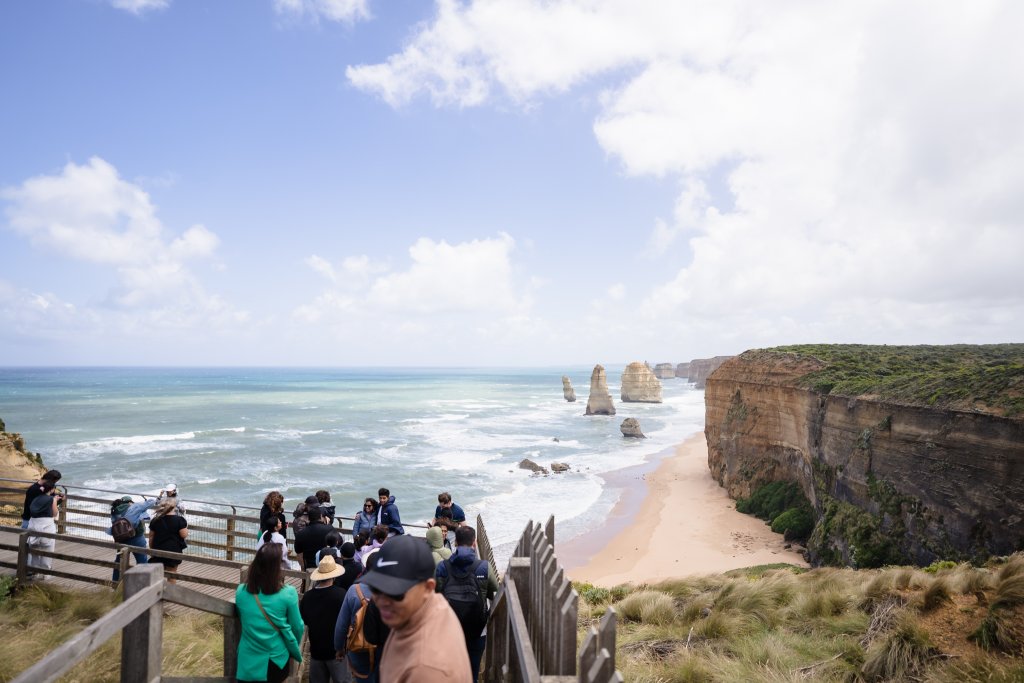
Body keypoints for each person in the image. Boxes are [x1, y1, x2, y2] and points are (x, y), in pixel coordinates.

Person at [359, 534, 471, 683]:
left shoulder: (425, 670)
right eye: (376, 588)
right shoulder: (431, 606)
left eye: (396, 592)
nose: (381, 601)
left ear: (427, 588)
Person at [436, 526, 499, 683]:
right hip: (477, 629)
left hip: (449, 628)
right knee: (472, 672)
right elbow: (495, 589)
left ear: (455, 542)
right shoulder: (484, 567)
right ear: (475, 543)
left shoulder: (443, 567)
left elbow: (435, 592)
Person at [235, 544, 304, 683]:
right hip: (275, 658)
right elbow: (297, 627)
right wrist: (292, 647)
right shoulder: (288, 593)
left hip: (247, 660)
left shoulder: (241, 591)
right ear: (276, 568)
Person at [333, 552, 385, 682]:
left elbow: (342, 624)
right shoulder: (392, 592)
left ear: (366, 568)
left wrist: (339, 648)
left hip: (358, 648)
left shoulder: (354, 590)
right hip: (384, 650)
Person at [299, 555, 349, 683]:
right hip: (337, 651)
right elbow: (347, 621)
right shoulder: (341, 594)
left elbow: (304, 620)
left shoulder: (308, 597)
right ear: (334, 575)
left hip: (316, 650)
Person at [108, 494, 158, 581]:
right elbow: (151, 502)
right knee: (142, 562)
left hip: (121, 539)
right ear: (130, 502)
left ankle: (115, 583)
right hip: (137, 538)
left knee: (119, 562)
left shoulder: (115, 510)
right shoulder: (135, 507)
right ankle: (143, 584)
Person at [148, 496, 188, 583]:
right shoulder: (179, 520)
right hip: (173, 551)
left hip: (158, 549)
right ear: (174, 507)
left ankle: (156, 593)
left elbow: (151, 537)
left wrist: (152, 550)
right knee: (172, 574)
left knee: (157, 574)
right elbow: (184, 535)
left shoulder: (155, 520)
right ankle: (170, 594)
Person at [26, 481, 62, 577]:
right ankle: (45, 575)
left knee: (34, 550)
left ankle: (34, 572)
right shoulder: (51, 499)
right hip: (47, 526)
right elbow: (54, 513)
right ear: (52, 489)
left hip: (33, 524)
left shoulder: (36, 498)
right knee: (47, 549)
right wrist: (54, 501)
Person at [295, 505, 332, 570]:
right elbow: (335, 543)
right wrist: (327, 524)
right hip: (326, 565)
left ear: (309, 518)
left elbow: (299, 552)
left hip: (309, 566)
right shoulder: (329, 529)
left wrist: (303, 567)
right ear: (321, 516)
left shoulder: (301, 534)